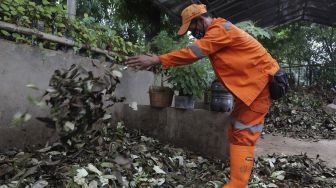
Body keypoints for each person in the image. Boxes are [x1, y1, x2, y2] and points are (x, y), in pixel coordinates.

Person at [125, 3, 279, 188]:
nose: (192, 32)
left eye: (192, 27)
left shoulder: (220, 30)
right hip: (250, 90)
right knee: (237, 129)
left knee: (244, 134)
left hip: (257, 89)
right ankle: (238, 178)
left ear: (199, 20)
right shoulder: (220, 30)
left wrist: (157, 59)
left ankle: (238, 184)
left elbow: (193, 52)